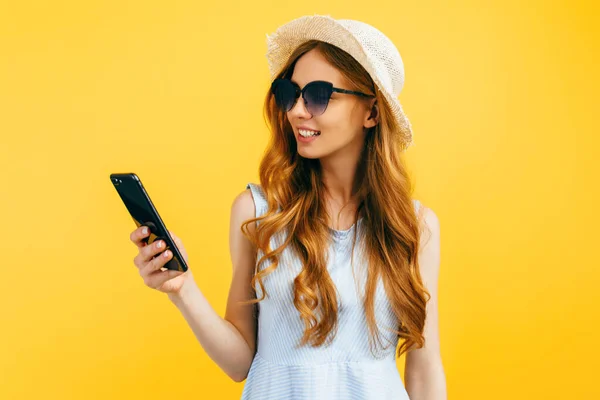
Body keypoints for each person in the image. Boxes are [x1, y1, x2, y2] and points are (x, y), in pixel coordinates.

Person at [129, 14, 446, 400]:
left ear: (372, 112)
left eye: (317, 95)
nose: (296, 110)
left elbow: (425, 371)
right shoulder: (257, 212)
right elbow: (239, 362)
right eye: (289, 94)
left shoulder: (414, 226)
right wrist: (182, 289)